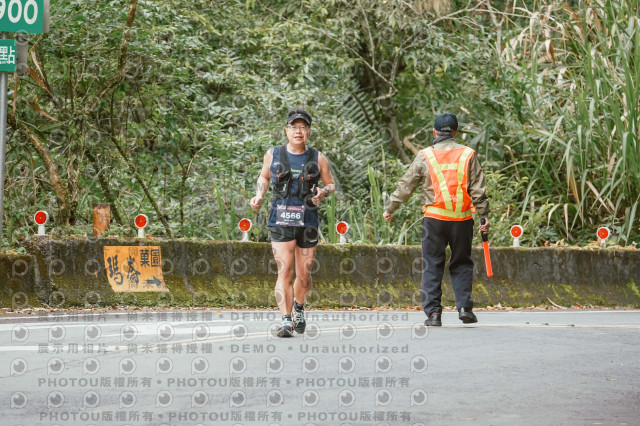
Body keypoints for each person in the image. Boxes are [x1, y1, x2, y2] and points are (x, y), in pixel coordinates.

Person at [383, 113, 490, 326]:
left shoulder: (425, 155)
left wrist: (390, 207)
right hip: (462, 220)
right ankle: (464, 308)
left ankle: (433, 314)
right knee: (462, 262)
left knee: (432, 264)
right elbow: (478, 189)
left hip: (434, 220)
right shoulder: (468, 154)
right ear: (455, 132)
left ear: (435, 132)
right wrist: (484, 215)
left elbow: (407, 184)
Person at [250, 108, 335, 337]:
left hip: (308, 221)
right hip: (281, 220)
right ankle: (286, 320)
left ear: (309, 132)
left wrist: (323, 192)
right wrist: (259, 195)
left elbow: (331, 184)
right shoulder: (273, 154)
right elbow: (264, 176)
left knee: (304, 274)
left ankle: (299, 306)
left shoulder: (318, 157)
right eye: (294, 127)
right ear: (286, 130)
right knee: (284, 270)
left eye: (303, 127)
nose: (298, 131)